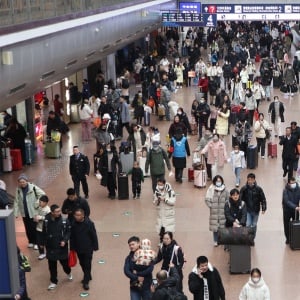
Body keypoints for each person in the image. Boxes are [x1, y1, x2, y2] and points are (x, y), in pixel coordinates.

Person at [43, 204, 72, 290]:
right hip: (50, 247)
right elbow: (44, 232)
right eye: (57, 212)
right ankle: (53, 281)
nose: (59, 213)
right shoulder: (46, 220)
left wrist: (65, 240)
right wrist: (41, 242)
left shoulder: (64, 221)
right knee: (52, 266)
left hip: (61, 247)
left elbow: (68, 232)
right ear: (52, 212)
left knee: (65, 264)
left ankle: (68, 272)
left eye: (59, 211)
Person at [14, 174, 45, 249]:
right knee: (27, 228)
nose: (22, 183)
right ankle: (31, 241)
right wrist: (16, 212)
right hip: (24, 212)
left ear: (27, 181)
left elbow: (42, 194)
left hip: (33, 212)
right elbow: (16, 201)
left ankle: (37, 243)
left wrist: (36, 203)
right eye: (20, 182)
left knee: (34, 228)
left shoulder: (33, 187)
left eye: (23, 182)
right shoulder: (18, 189)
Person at [70, 208, 99, 290]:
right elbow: (72, 237)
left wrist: (95, 246)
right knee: (82, 263)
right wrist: (72, 247)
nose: (77, 217)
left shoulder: (89, 223)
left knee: (87, 264)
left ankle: (86, 281)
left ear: (83, 215)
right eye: (75, 215)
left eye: (78, 215)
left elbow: (93, 235)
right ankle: (88, 275)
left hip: (88, 248)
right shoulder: (73, 224)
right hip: (78, 248)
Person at [124, 236, 154, 300]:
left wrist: (138, 273)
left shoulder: (147, 254)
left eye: (133, 244)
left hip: (147, 286)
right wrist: (137, 278)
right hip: (134, 286)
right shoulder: (129, 258)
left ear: (138, 244)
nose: (131, 246)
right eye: (129, 245)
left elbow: (150, 268)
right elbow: (126, 271)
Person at [240, 173, 267, 238]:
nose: (250, 181)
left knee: (254, 224)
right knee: (248, 224)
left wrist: (263, 208)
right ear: (247, 180)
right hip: (247, 210)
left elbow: (263, 199)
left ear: (254, 180)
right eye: (249, 180)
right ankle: (247, 237)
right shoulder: (244, 189)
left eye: (252, 180)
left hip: (256, 210)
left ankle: (252, 237)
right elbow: (240, 199)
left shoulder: (258, 189)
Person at [205, 175, 229, 246]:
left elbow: (228, 199)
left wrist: (226, 207)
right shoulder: (211, 189)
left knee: (222, 226)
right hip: (214, 212)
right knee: (215, 227)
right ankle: (215, 240)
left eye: (220, 181)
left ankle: (221, 239)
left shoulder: (225, 189)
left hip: (222, 212)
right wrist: (211, 206)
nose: (218, 182)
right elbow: (207, 199)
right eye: (217, 181)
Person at [282, 176, 300, 244]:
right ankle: (288, 238)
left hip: (296, 211)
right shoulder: (285, 191)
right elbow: (286, 201)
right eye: (292, 183)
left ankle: (295, 237)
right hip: (287, 210)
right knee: (286, 225)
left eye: (294, 182)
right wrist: (295, 207)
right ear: (289, 183)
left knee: (296, 224)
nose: (294, 184)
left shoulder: (298, 189)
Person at [33, 195, 51, 260]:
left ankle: (48, 252)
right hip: (38, 227)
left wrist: (41, 218)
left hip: (44, 229)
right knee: (39, 241)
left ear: (45, 203)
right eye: (39, 202)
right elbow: (36, 214)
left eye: (41, 202)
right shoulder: (39, 208)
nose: (39, 203)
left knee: (45, 241)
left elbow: (49, 219)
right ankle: (42, 253)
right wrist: (35, 218)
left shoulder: (48, 210)